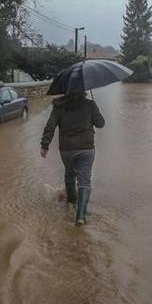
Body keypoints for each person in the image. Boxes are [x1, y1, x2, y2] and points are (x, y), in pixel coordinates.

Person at [40, 91, 105, 226]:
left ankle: (70, 202)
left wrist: (44, 145)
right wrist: (94, 108)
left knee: (69, 174)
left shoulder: (59, 106)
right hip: (86, 148)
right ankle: (80, 216)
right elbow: (100, 123)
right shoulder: (90, 104)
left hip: (67, 149)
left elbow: (50, 126)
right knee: (84, 180)